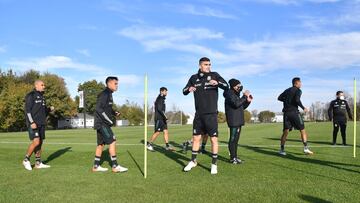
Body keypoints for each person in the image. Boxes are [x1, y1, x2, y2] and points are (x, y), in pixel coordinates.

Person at [182, 57, 228, 175]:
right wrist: (189, 89)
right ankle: (193, 161)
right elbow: (184, 90)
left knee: (213, 139)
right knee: (196, 138)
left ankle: (214, 164)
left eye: (209, 64)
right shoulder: (193, 78)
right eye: (206, 64)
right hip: (199, 115)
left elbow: (226, 85)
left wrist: (217, 83)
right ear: (200, 66)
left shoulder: (215, 75)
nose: (208, 66)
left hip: (211, 114)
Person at [92, 76, 128, 173]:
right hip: (103, 123)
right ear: (109, 83)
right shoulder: (105, 94)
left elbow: (107, 108)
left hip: (101, 123)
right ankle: (115, 166)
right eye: (115, 84)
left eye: (117, 84)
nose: (117, 86)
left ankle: (96, 166)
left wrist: (114, 112)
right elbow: (99, 109)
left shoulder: (109, 94)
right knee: (112, 141)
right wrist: (109, 120)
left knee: (100, 145)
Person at [23, 80, 54, 171]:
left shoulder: (42, 97)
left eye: (44, 85)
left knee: (40, 143)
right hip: (34, 124)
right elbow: (27, 110)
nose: (44, 86)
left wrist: (49, 109)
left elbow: (43, 111)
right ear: (36, 86)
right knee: (36, 142)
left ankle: (38, 163)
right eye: (42, 85)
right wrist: (32, 122)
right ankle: (26, 159)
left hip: (41, 124)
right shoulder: (31, 95)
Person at [278, 77, 313, 156]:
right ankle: (306, 148)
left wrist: (287, 100)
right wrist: (303, 108)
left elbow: (279, 98)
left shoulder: (287, 90)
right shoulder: (298, 90)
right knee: (302, 130)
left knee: (285, 132)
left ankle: (282, 150)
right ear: (296, 83)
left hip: (286, 114)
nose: (301, 84)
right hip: (294, 113)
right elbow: (297, 100)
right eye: (300, 82)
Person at [224, 79, 252, 164]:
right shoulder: (229, 94)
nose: (240, 87)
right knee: (232, 139)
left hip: (238, 120)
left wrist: (248, 101)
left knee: (236, 140)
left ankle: (235, 157)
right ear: (233, 86)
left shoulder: (235, 95)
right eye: (238, 85)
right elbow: (236, 104)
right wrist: (244, 96)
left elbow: (241, 107)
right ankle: (232, 158)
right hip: (233, 120)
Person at [147, 87, 174, 151]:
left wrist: (164, 117)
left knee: (166, 131)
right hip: (159, 118)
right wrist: (165, 116)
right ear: (161, 91)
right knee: (157, 132)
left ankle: (167, 146)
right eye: (165, 91)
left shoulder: (162, 99)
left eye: (166, 91)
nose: (166, 93)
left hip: (162, 119)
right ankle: (149, 145)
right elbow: (159, 109)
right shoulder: (160, 99)